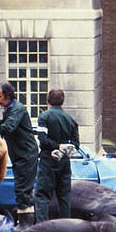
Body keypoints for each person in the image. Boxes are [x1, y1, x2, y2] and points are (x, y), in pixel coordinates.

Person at [0, 82, 38, 230]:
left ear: (7, 95)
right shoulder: (9, 109)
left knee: (23, 189)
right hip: (20, 155)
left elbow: (9, 127)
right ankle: (25, 222)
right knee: (22, 188)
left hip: (25, 155)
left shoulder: (17, 109)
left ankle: (26, 225)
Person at [34, 89, 80, 223]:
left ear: (48, 101)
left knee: (42, 195)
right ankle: (65, 229)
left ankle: (43, 227)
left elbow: (42, 138)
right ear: (62, 102)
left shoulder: (44, 117)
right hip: (64, 162)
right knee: (64, 197)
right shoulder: (71, 120)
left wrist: (56, 147)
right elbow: (76, 144)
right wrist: (63, 150)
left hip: (48, 160)